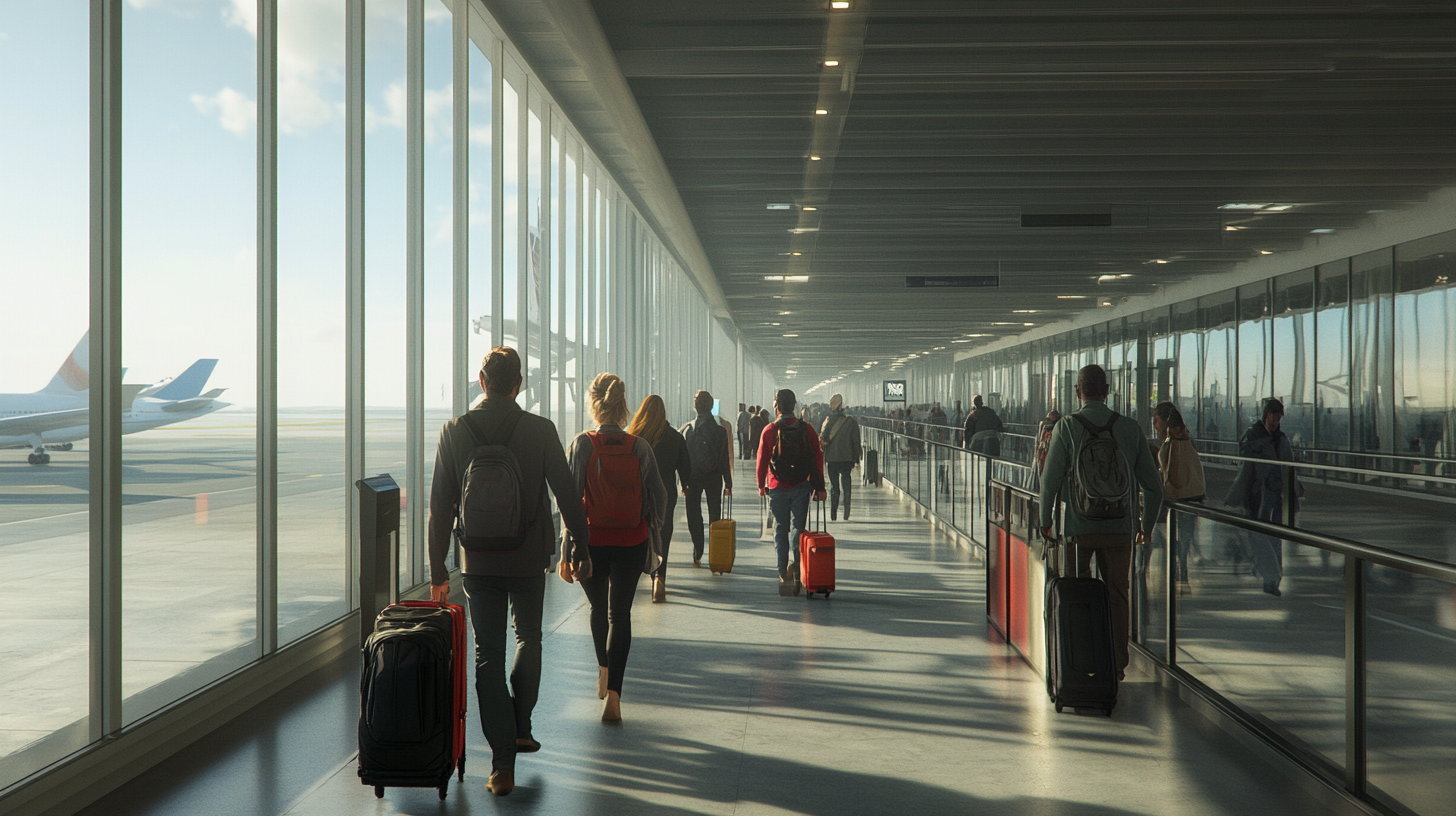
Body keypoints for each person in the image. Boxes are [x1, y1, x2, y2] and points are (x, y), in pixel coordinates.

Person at [427, 346, 589, 797]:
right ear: (519, 384)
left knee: (487, 657)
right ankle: (521, 725)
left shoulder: (455, 430)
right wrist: (579, 543)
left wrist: (438, 568)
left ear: (482, 382)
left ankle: (501, 766)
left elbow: (440, 507)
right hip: (526, 557)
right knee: (529, 638)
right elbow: (567, 494)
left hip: (476, 561)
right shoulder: (539, 429)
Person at [1038, 364, 1162, 681]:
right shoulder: (1131, 428)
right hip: (1121, 529)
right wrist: (1145, 529)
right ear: (1106, 390)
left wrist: (1046, 521)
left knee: (1078, 593)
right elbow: (1154, 488)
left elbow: (1049, 482)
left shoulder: (1066, 428)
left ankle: (1081, 658)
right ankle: (1117, 663)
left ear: (1078, 392)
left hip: (1078, 531)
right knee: (1118, 595)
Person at [561, 373, 669, 722]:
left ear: (593, 403)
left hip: (592, 542)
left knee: (597, 608)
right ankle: (615, 699)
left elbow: (570, 503)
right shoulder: (639, 446)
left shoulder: (581, 444)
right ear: (624, 406)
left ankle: (603, 669)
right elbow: (661, 493)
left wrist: (566, 552)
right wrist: (653, 524)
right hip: (631, 540)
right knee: (619, 615)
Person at [1223, 397, 1298, 596]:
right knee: (1260, 535)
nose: (1276, 421)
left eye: (1279, 417)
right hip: (1258, 494)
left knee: (1274, 536)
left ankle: (1272, 577)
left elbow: (1288, 466)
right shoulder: (1253, 435)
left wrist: (1292, 490)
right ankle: (1271, 576)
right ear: (1266, 415)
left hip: (1275, 495)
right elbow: (1246, 460)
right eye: (1273, 416)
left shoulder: (1280, 439)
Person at [757, 388, 827, 595]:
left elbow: (762, 461)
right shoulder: (808, 430)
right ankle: (797, 565)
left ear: (776, 406)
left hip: (777, 486)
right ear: (795, 406)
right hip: (801, 486)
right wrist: (820, 486)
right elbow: (817, 458)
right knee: (798, 526)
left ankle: (782, 571)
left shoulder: (770, 430)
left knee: (780, 528)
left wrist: (761, 484)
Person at [627, 394, 690, 603]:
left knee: (640, 532)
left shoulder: (634, 436)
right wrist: (686, 486)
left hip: (638, 493)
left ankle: (634, 574)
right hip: (665, 494)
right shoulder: (675, 437)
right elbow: (685, 468)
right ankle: (659, 579)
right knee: (663, 534)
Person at [1153, 402, 1205, 596]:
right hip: (1193, 499)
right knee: (1185, 538)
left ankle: (1174, 569)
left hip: (1175, 500)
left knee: (1169, 536)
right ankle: (1183, 571)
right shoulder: (1190, 447)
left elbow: (1167, 476)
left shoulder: (1166, 449)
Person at [681, 390, 734, 568]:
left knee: (693, 513)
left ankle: (698, 549)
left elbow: (682, 460)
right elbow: (723, 459)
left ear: (694, 407)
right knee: (714, 513)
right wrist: (728, 482)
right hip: (714, 477)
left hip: (692, 478)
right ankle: (715, 550)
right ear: (711, 406)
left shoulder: (686, 430)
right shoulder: (720, 431)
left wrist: (682, 481)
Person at [819, 394, 862, 520]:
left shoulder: (827, 421)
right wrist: (856, 457)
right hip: (846, 458)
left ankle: (833, 512)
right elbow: (856, 441)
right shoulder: (851, 422)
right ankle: (847, 508)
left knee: (834, 486)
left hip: (832, 458)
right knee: (846, 483)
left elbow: (823, 439)